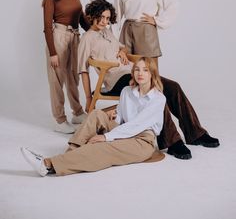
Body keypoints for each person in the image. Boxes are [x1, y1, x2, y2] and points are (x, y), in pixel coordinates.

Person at [78, 0, 219, 160]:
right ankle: (172, 141)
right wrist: (89, 97)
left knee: (173, 87)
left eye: (107, 18)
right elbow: (83, 70)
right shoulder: (87, 38)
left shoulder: (107, 32)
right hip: (115, 80)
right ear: (91, 16)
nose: (104, 21)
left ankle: (195, 133)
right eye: (100, 17)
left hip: (131, 73)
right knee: (155, 89)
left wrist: (123, 51)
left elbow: (120, 46)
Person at [21, 57, 166, 177]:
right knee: (97, 114)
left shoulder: (159, 99)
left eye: (145, 70)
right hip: (124, 131)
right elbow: (120, 118)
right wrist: (112, 118)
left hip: (142, 141)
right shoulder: (127, 91)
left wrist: (106, 136)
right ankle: (70, 155)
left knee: (104, 148)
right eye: (137, 69)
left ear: (152, 73)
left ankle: (48, 164)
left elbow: (136, 125)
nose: (140, 73)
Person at [42, 0, 90, 134]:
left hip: (75, 37)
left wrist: (98, 29)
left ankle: (77, 112)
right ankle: (59, 119)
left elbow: (83, 20)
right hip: (59, 37)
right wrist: (53, 52)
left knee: (73, 76)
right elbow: (47, 27)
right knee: (57, 79)